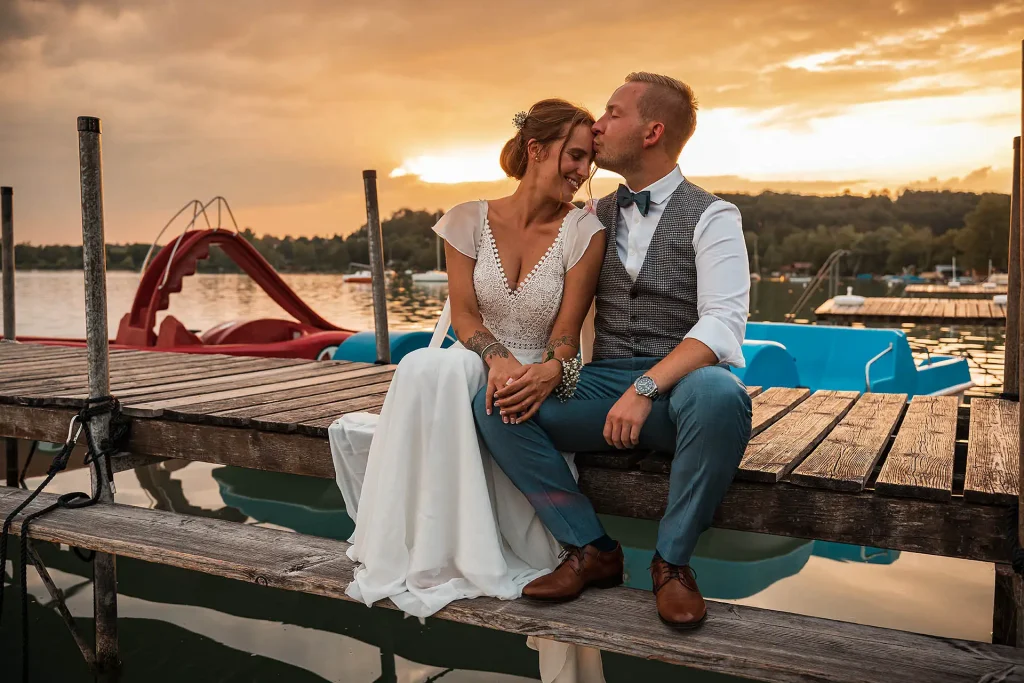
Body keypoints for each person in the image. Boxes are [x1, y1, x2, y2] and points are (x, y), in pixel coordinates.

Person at [474, 72, 752, 630]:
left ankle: (672, 564)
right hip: (600, 386)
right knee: (502, 405)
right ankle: (591, 548)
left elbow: (724, 324)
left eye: (611, 112)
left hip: (681, 395)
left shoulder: (715, 217)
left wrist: (647, 388)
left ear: (651, 132)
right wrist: (540, 366)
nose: (597, 125)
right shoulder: (590, 217)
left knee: (720, 392)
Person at [329, 99, 607, 624]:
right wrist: (495, 358)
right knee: (428, 367)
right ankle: (426, 547)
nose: (582, 171)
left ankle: (468, 548)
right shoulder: (467, 220)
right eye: (573, 156)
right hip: (478, 356)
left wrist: (547, 371)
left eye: (588, 161)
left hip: (536, 374)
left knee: (436, 372)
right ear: (536, 149)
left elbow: (567, 336)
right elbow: (464, 315)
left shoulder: (583, 233)